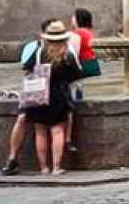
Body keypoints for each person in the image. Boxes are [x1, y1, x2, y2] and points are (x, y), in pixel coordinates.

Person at [19, 20, 82, 176]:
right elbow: (76, 74)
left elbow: (26, 67)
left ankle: (43, 168)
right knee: (57, 131)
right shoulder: (67, 54)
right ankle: (56, 167)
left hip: (39, 93)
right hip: (58, 95)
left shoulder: (40, 51)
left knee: (40, 131)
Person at [1, 18, 57, 175]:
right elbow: (25, 65)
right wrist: (41, 47)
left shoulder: (64, 46)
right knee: (22, 118)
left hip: (56, 89)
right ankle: (12, 158)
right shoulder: (33, 46)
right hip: (36, 88)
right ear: (42, 34)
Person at [64, 9, 99, 154]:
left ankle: (69, 137)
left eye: (73, 16)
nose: (71, 18)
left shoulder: (78, 33)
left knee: (73, 96)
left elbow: (74, 54)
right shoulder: (89, 32)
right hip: (93, 65)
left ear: (78, 19)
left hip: (83, 67)